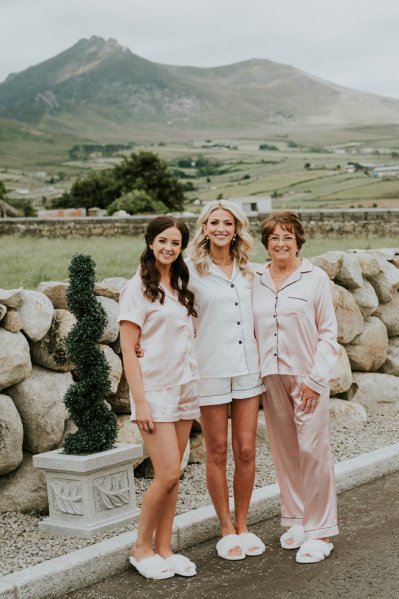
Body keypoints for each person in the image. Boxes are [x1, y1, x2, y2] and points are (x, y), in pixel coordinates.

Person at [252, 210, 339, 564]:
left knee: (313, 453)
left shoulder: (314, 278)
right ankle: (297, 519)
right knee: (285, 451)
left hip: (307, 377)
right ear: (266, 243)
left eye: (288, 237)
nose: (281, 243)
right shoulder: (255, 277)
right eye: (274, 237)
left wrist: (316, 381)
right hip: (271, 376)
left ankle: (320, 531)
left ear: (299, 241)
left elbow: (329, 334)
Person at [118, 216, 199, 580]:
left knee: (175, 475)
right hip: (154, 392)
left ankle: (165, 548)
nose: (169, 248)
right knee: (165, 473)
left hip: (184, 387)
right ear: (150, 242)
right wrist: (142, 402)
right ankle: (141, 547)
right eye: (163, 241)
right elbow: (127, 347)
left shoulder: (180, 284)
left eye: (176, 243)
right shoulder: (137, 287)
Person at [186, 199, 266, 560]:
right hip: (211, 370)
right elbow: (169, 312)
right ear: (204, 227)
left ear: (237, 230)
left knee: (246, 449)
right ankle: (225, 527)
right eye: (214, 222)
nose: (221, 228)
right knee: (217, 451)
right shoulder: (189, 271)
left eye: (228, 223)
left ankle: (244, 523)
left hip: (248, 368)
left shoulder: (251, 272)